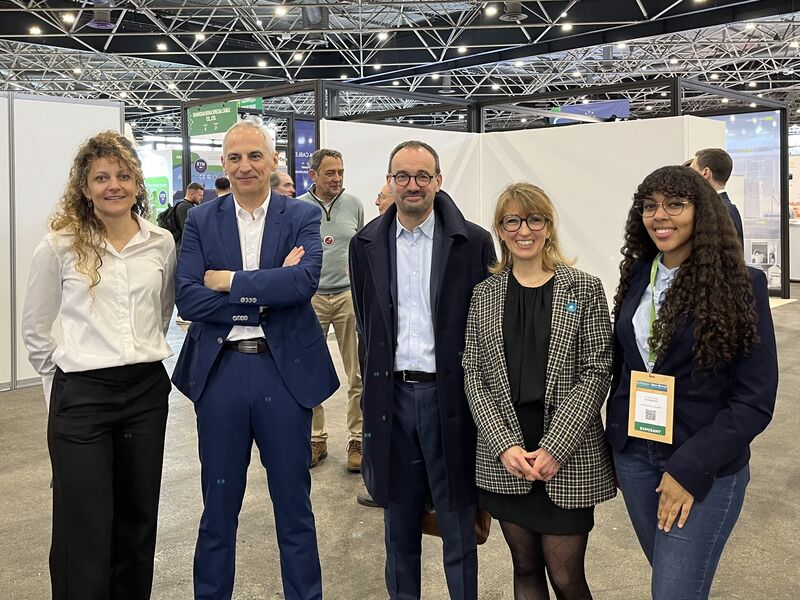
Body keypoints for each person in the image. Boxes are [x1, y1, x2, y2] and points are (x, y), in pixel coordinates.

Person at [171, 120, 339, 600]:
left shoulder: (300, 214)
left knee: (294, 507)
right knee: (218, 508)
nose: (245, 166)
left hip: (283, 374)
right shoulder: (202, 219)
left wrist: (227, 281)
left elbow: (303, 282)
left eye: (254, 156)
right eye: (235, 157)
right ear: (223, 164)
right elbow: (188, 297)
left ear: (273, 160)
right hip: (220, 373)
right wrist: (263, 295)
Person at [606, 165, 778, 600]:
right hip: (637, 456)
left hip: (703, 462)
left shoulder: (742, 284)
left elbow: (755, 399)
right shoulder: (638, 275)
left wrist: (689, 468)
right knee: (673, 582)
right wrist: (617, 442)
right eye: (650, 206)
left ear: (702, 211)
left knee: (674, 590)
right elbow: (625, 365)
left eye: (675, 204)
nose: (660, 215)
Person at [21, 130, 176, 600]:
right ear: (85, 188)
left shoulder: (160, 242)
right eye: (101, 178)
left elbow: (161, 314)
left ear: (137, 184)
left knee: (138, 519)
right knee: (83, 523)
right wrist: (66, 383)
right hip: (83, 397)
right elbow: (36, 329)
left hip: (146, 393)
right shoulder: (60, 245)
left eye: (123, 176)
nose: (114, 186)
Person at [349, 140, 495, 600]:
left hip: (450, 399)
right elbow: (366, 322)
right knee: (398, 525)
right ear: (389, 181)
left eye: (422, 176)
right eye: (403, 176)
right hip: (391, 400)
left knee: (458, 525)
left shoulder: (473, 243)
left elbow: (486, 327)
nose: (412, 185)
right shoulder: (365, 244)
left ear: (438, 180)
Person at [463, 183, 616, 600]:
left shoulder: (584, 288)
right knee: (525, 567)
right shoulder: (484, 294)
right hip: (506, 455)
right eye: (512, 221)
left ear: (548, 227)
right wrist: (502, 445)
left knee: (567, 578)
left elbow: (597, 370)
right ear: (500, 230)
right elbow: (473, 373)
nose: (523, 230)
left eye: (534, 219)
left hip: (567, 453)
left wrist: (555, 448)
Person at [298, 149, 365, 470]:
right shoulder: (299, 208)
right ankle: (316, 439)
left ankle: (358, 439)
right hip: (311, 298)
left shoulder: (354, 205)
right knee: (308, 370)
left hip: (348, 296)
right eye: (330, 173)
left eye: (340, 172)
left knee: (358, 371)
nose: (337, 178)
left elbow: (362, 248)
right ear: (313, 175)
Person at [689, 148, 744, 246]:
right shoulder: (729, 209)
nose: (689, 177)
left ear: (706, 173)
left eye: (692, 172)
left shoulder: (715, 210)